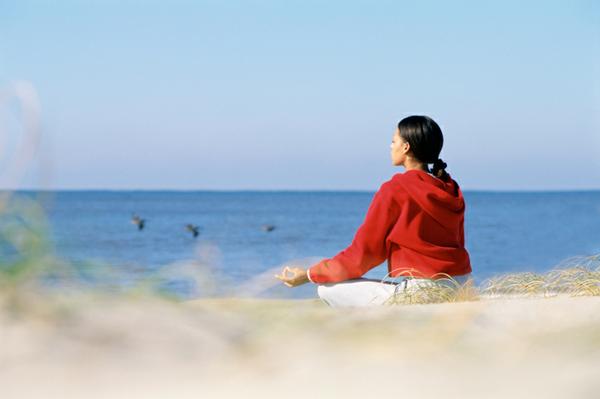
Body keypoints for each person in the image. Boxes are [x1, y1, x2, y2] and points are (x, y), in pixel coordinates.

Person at [275, 115, 472, 307]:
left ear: (406, 147)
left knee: (327, 288)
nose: (390, 146)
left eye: (393, 141)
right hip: (461, 285)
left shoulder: (396, 188)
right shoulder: (450, 188)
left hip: (424, 293)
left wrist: (309, 274)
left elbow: (363, 255)